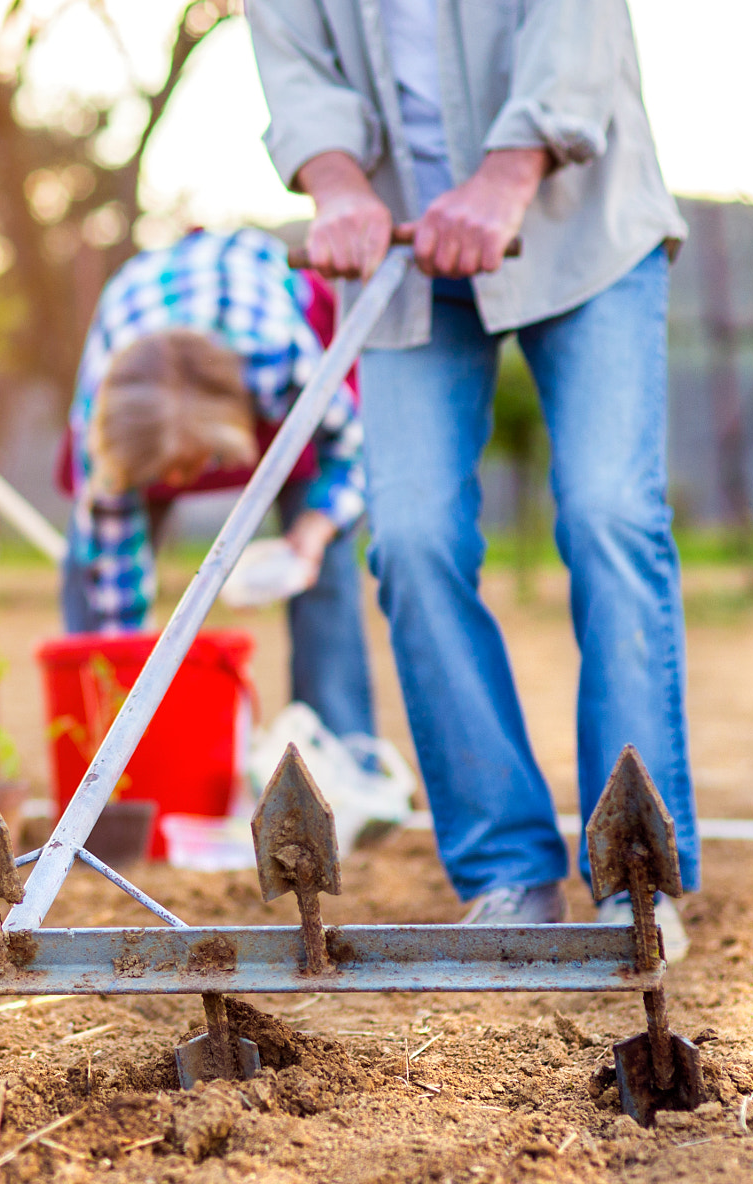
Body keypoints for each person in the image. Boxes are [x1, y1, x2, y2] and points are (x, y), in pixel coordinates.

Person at [249, 0, 696, 956]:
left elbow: (574, 33)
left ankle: (635, 878)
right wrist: (337, 188)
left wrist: (504, 180)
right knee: (410, 540)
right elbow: (297, 71)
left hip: (582, 235)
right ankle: (507, 871)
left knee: (609, 515)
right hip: (409, 257)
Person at [58, 226, 376, 747]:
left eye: (188, 465)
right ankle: (102, 749)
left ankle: (339, 751)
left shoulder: (276, 357)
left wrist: (315, 529)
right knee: (88, 567)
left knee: (325, 562)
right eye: (164, 475)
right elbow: (114, 574)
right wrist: (130, 679)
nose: (180, 486)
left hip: (262, 336)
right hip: (137, 330)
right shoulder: (106, 410)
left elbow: (354, 446)